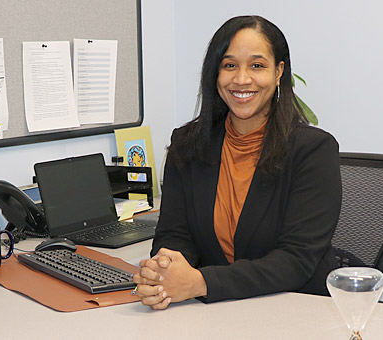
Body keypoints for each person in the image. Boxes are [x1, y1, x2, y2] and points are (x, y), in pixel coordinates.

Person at [132, 15, 342, 310]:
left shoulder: (312, 150)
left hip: (298, 310)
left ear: (279, 71)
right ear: (215, 73)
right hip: (218, 313)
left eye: (257, 65)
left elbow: (296, 259)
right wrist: (165, 270)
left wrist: (199, 283)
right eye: (229, 65)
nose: (242, 79)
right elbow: (174, 234)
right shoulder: (187, 144)